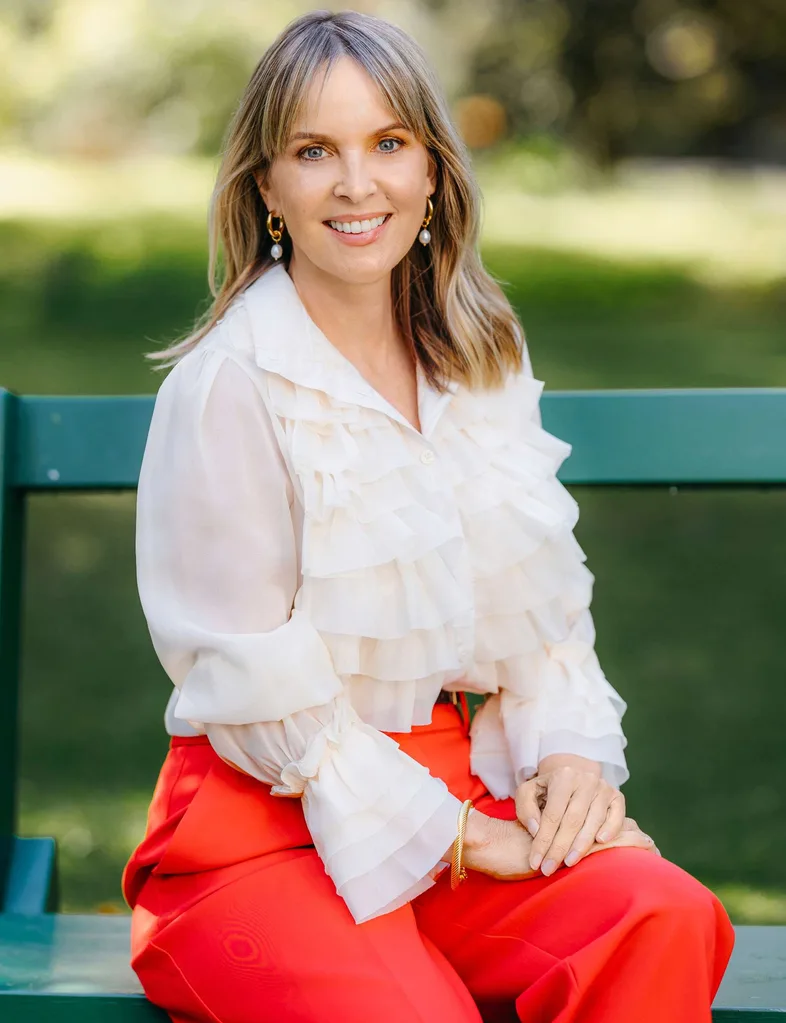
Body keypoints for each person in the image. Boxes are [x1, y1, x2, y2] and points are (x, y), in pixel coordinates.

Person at [121, 10, 735, 1023]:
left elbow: (541, 612)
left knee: (657, 914)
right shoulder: (229, 382)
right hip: (261, 833)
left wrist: (569, 759)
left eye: (388, 144)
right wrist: (465, 837)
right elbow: (255, 691)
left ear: (435, 173)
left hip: (459, 803)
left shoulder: (483, 352)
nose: (358, 185)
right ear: (266, 187)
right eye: (314, 152)